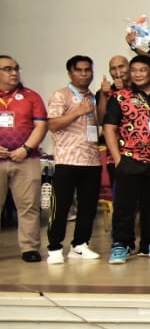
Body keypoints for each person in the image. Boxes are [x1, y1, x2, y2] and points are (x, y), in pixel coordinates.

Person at [102, 55, 150, 264]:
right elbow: (109, 128)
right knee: (124, 206)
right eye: (134, 70)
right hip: (129, 160)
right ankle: (122, 244)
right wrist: (118, 159)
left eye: (142, 70)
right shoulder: (120, 97)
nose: (137, 74)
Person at [45, 55, 104, 264]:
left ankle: (80, 245)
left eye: (88, 70)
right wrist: (78, 111)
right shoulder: (61, 95)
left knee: (88, 207)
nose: (84, 74)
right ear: (70, 73)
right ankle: (54, 247)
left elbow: (101, 122)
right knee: (61, 206)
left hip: (92, 159)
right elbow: (52, 125)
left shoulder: (93, 97)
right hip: (67, 159)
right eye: (79, 70)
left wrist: (103, 98)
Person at [0, 55, 48, 262]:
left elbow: (41, 125)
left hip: (26, 159)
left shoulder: (31, 96)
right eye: (7, 69)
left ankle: (30, 248)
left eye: (16, 68)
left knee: (29, 206)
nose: (14, 73)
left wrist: (26, 148)